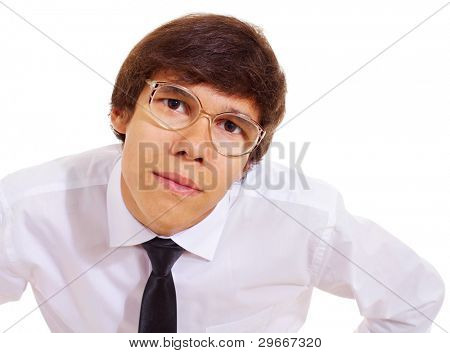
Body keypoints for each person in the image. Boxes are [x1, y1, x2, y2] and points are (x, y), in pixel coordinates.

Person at [0, 13, 445, 333]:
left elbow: (413, 298)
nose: (193, 147)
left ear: (250, 161)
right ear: (120, 111)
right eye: (174, 103)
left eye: (231, 126)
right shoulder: (27, 209)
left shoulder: (307, 218)